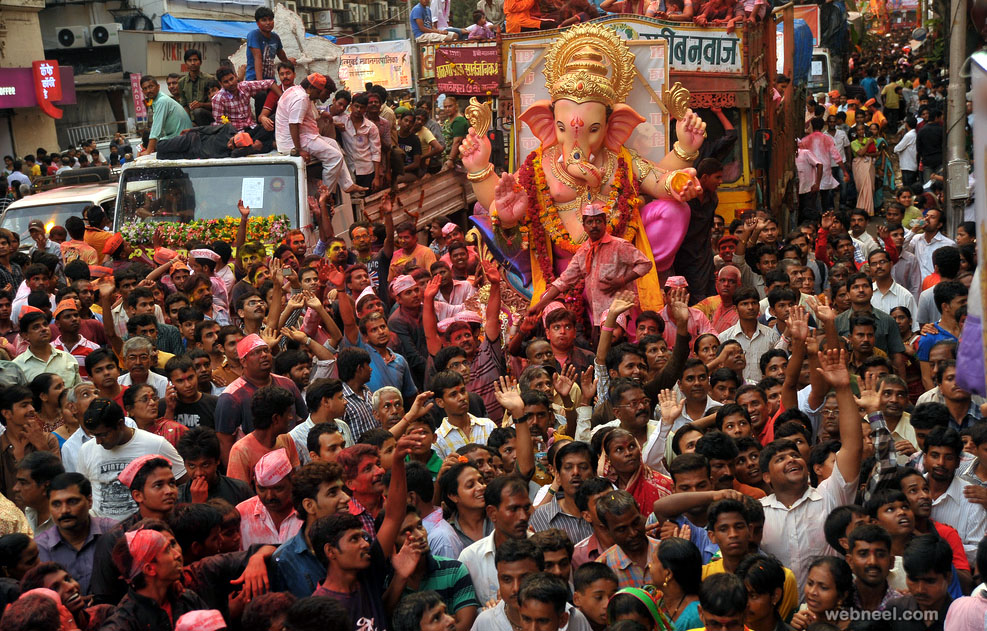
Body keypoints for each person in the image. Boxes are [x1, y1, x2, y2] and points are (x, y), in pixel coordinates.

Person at [76, 399, 185, 520]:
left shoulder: (156, 444)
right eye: (94, 435)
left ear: (120, 424)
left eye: (104, 434)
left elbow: (184, 481)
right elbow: (83, 491)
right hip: (103, 534)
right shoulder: (86, 450)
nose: (98, 441)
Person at [35, 472, 117, 594]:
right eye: (56, 504)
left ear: (89, 501)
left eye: (72, 502)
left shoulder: (113, 532)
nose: (64, 511)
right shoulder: (40, 547)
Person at [458, 474, 533, 604]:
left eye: (526, 508)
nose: (523, 517)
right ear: (492, 513)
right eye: (513, 509)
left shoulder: (544, 551)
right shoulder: (471, 558)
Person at [236, 448, 304, 548]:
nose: (269, 496)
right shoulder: (241, 514)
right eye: (262, 489)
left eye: (277, 488)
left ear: (292, 481)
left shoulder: (309, 512)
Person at [175, 426, 252, 506]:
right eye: (192, 466)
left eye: (205, 465)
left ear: (217, 460)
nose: (199, 473)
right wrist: (197, 503)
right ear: (184, 464)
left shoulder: (240, 490)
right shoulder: (178, 498)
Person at [138, 76, 193, 156]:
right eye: (145, 89)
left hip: (182, 139)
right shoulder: (158, 101)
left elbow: (156, 128)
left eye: (151, 87)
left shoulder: (161, 101)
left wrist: (148, 151)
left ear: (158, 87)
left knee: (160, 145)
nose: (148, 91)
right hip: (179, 137)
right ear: (142, 91)